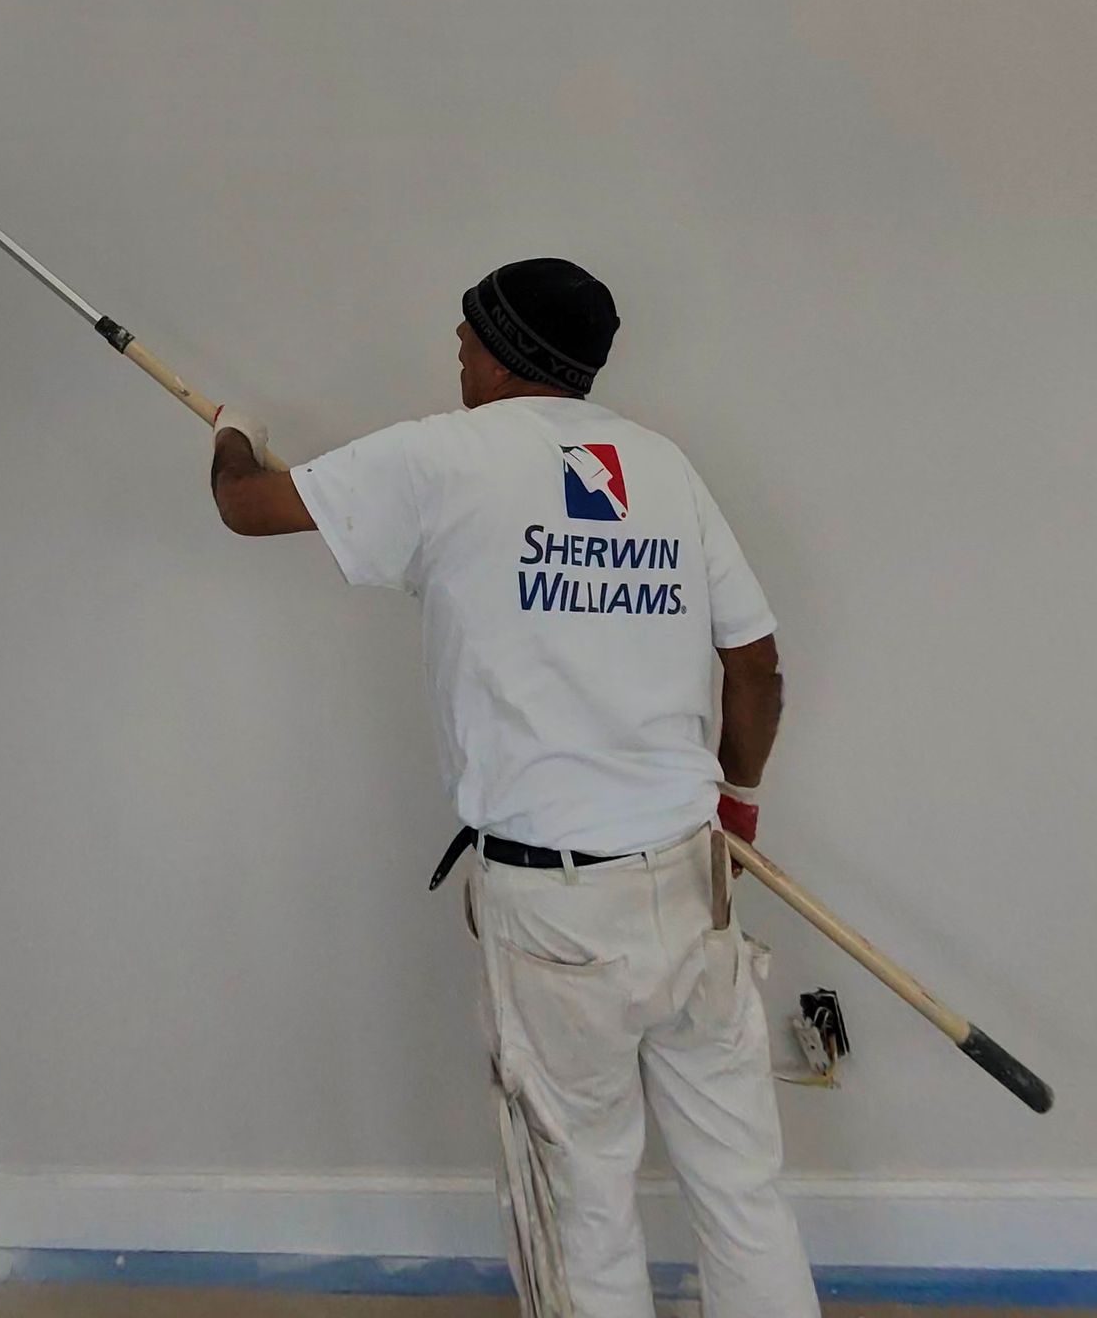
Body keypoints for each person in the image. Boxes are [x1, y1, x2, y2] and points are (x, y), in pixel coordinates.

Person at [206, 256, 816, 1318]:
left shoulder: (445, 456)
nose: (453, 352)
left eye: (462, 336)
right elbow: (756, 659)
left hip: (555, 909)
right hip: (691, 878)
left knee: (581, 1194)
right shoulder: (664, 465)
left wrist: (230, 431)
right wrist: (740, 800)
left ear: (498, 349)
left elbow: (248, 508)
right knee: (742, 1185)